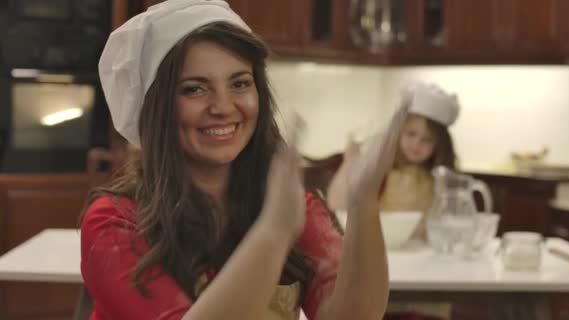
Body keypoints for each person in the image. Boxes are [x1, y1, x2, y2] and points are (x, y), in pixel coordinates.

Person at [80, 1, 408, 319]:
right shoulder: (115, 223)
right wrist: (273, 233)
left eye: (239, 84)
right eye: (194, 89)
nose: (224, 106)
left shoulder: (294, 208)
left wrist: (365, 201)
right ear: (155, 108)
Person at [326, 83, 460, 320]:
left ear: (440, 145)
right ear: (397, 133)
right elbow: (336, 203)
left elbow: (446, 223)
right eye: (410, 134)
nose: (416, 144)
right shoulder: (381, 172)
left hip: (423, 266)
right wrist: (350, 162)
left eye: (427, 140)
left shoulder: (438, 180)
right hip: (379, 260)